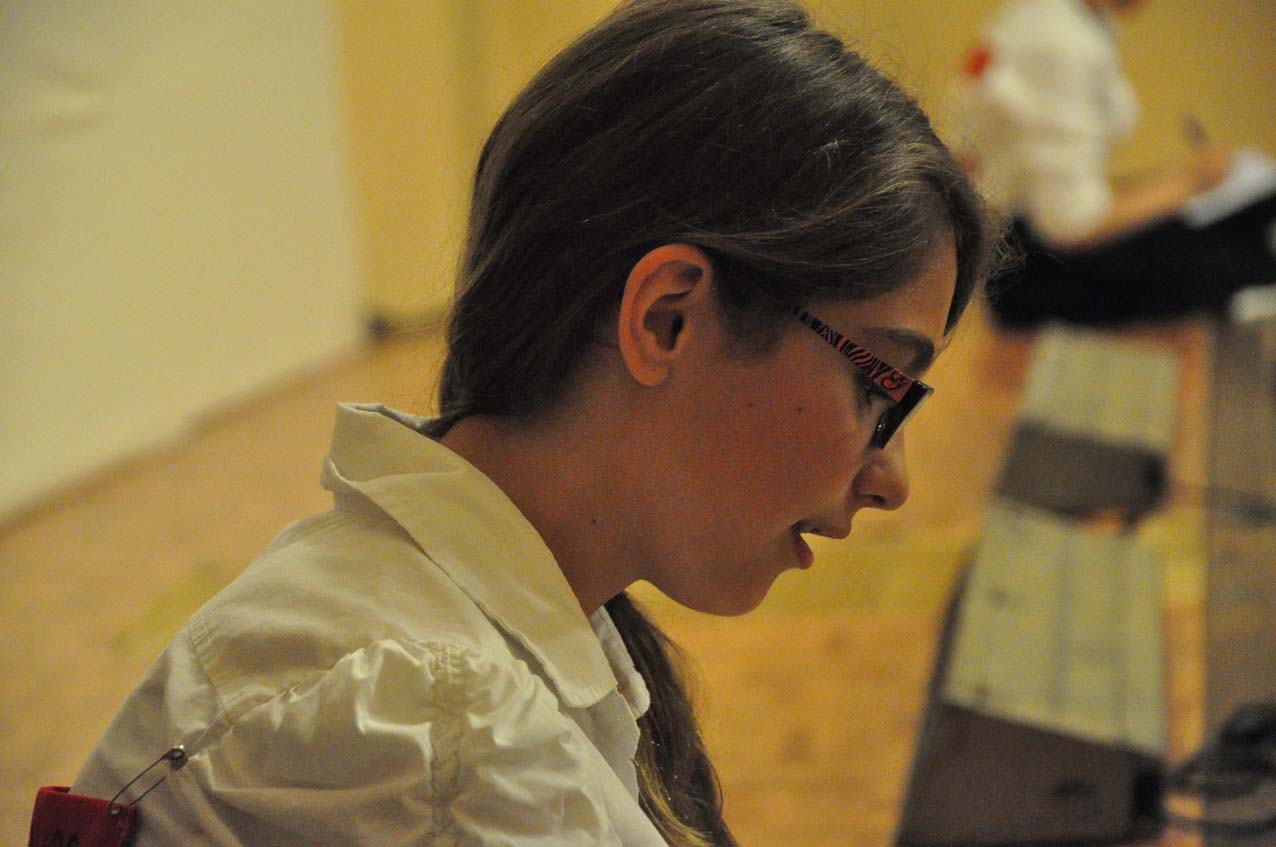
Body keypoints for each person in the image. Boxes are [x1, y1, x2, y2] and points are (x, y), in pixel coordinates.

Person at [66, 1, 1001, 844]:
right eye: (880, 386)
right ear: (667, 319)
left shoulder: (456, 632)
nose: (894, 479)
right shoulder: (435, 735)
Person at [958, 0, 1276, 327]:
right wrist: (1190, 181)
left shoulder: (1059, 16)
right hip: (1024, 264)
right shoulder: (1063, 45)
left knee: (1236, 225)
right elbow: (1068, 224)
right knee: (1239, 258)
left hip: (1019, 234)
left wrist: (1184, 181)